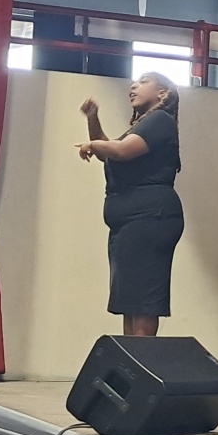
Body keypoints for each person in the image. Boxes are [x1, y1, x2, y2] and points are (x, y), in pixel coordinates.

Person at [78, 73, 184, 337]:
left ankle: (142, 368)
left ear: (163, 93)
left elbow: (121, 151)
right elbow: (111, 152)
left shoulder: (160, 120)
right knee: (130, 301)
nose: (133, 86)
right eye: (133, 82)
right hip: (130, 222)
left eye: (143, 81)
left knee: (144, 303)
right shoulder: (142, 125)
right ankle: (131, 368)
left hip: (150, 218)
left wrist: (93, 143)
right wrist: (93, 119)